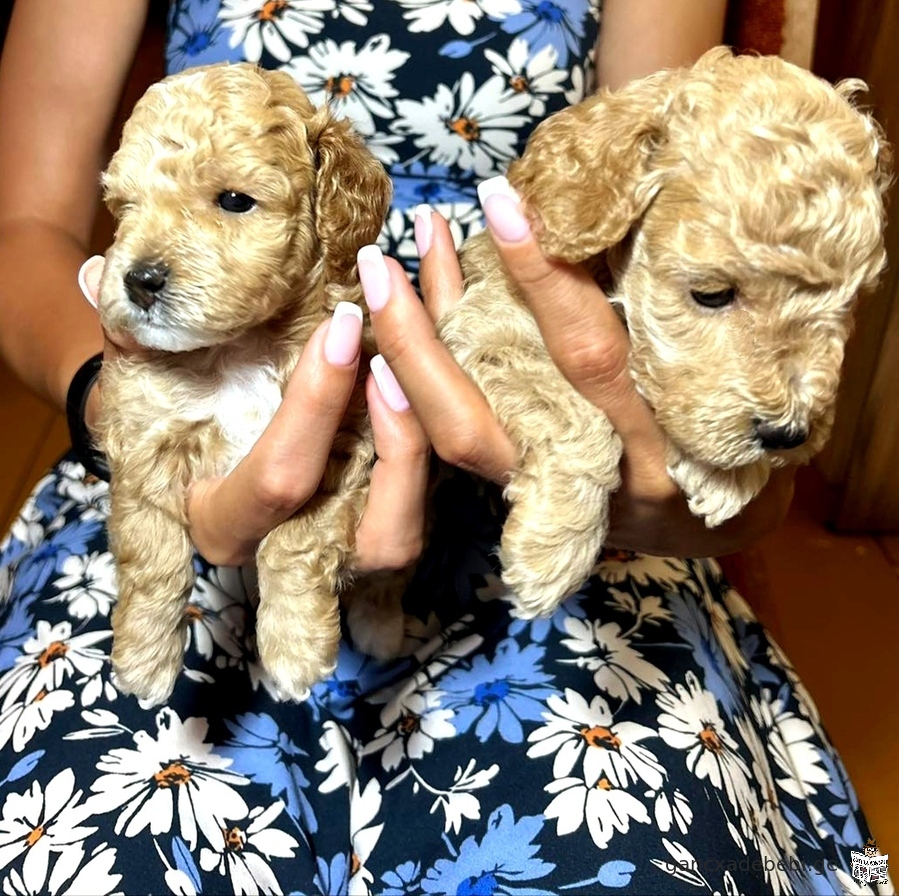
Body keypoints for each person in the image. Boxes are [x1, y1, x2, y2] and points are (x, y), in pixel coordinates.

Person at [0, 1, 883, 894]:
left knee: (623, 859)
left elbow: (715, 204)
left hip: (567, 466)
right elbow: (23, 228)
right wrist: (123, 408)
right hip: (180, 432)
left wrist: (659, 483)